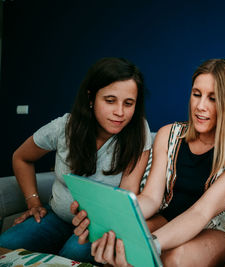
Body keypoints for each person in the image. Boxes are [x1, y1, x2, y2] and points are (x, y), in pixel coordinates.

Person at [71, 58, 225, 266]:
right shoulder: (168, 134)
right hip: (169, 218)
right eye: (196, 94)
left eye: (213, 98)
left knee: (175, 259)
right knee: (120, 243)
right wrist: (107, 218)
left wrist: (151, 244)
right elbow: (151, 198)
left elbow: (201, 212)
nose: (200, 106)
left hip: (219, 228)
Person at [0, 57, 152, 264]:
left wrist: (96, 224)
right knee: (7, 243)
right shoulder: (65, 127)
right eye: (110, 100)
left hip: (101, 226)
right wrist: (33, 201)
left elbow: (126, 195)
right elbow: (21, 157)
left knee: (73, 256)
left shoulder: (138, 132)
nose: (120, 112)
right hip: (56, 217)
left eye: (129, 103)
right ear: (91, 98)